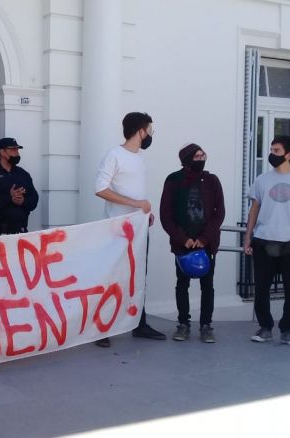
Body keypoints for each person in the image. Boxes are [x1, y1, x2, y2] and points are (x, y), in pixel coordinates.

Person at [93, 111, 167, 348]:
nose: (152, 134)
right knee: (112, 276)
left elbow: (136, 192)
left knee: (138, 276)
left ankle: (139, 323)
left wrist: (145, 212)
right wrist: (137, 205)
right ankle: (100, 329)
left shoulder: (139, 158)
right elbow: (100, 188)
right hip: (117, 230)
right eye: (151, 130)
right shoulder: (114, 155)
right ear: (141, 131)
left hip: (139, 229)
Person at [244, 135, 290, 347]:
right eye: (272, 149)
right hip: (264, 240)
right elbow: (254, 209)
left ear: (289, 154)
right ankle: (265, 327)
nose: (272, 154)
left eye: (276, 150)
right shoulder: (262, 179)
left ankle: (287, 329)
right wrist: (248, 236)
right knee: (261, 288)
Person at [159, 143, 225, 343]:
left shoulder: (212, 181)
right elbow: (166, 215)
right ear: (187, 159)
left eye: (202, 155)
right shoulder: (174, 180)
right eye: (196, 156)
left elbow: (219, 213)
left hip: (207, 244)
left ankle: (206, 325)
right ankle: (183, 324)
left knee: (208, 285)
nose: (201, 159)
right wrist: (183, 239)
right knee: (182, 284)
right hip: (183, 245)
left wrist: (204, 238)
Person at [0, 137, 38, 235]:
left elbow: (34, 199)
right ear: (2, 152)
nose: (17, 153)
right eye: (13, 150)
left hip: (20, 232)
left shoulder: (23, 174)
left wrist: (23, 201)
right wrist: (9, 198)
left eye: (17, 150)